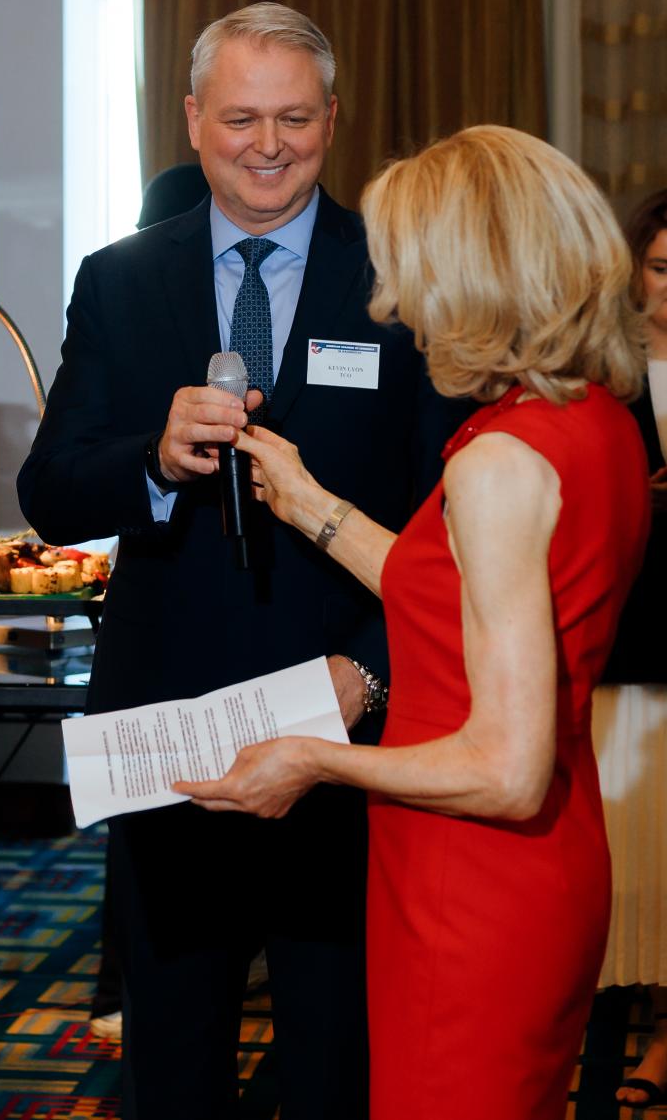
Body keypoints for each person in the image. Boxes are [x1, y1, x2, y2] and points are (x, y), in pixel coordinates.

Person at [18, 2, 471, 1120]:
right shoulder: (120, 278)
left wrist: (370, 673)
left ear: (332, 119)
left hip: (348, 727)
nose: (268, 145)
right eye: (240, 119)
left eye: (294, 119)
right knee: (173, 1061)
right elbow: (51, 492)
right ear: (191, 120)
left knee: (338, 1059)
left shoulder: (405, 277)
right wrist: (151, 459)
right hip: (170, 731)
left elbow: (447, 522)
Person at [177, 125, 651, 1120]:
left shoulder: (498, 463)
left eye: (408, 270)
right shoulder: (589, 419)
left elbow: (505, 770)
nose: (393, 303)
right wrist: (310, 502)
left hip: (468, 880)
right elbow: (456, 593)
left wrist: (312, 759)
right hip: (540, 862)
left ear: (474, 275)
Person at [602, 188, 667, 1111]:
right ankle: (638, 1014)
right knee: (634, 849)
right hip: (627, 627)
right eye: (660, 270)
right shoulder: (604, 370)